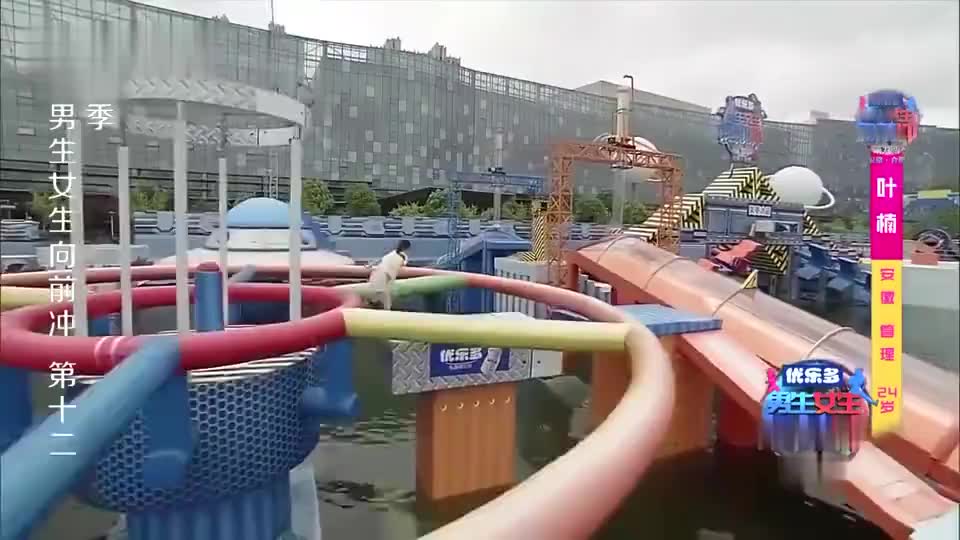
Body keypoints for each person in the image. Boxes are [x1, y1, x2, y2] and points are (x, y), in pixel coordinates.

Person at [367, 239, 410, 310]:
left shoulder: (393, 253)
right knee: (385, 292)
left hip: (380, 272)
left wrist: (369, 265)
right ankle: (385, 308)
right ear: (406, 248)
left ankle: (374, 302)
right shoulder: (403, 256)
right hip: (387, 274)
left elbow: (381, 259)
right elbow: (402, 264)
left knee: (381, 291)